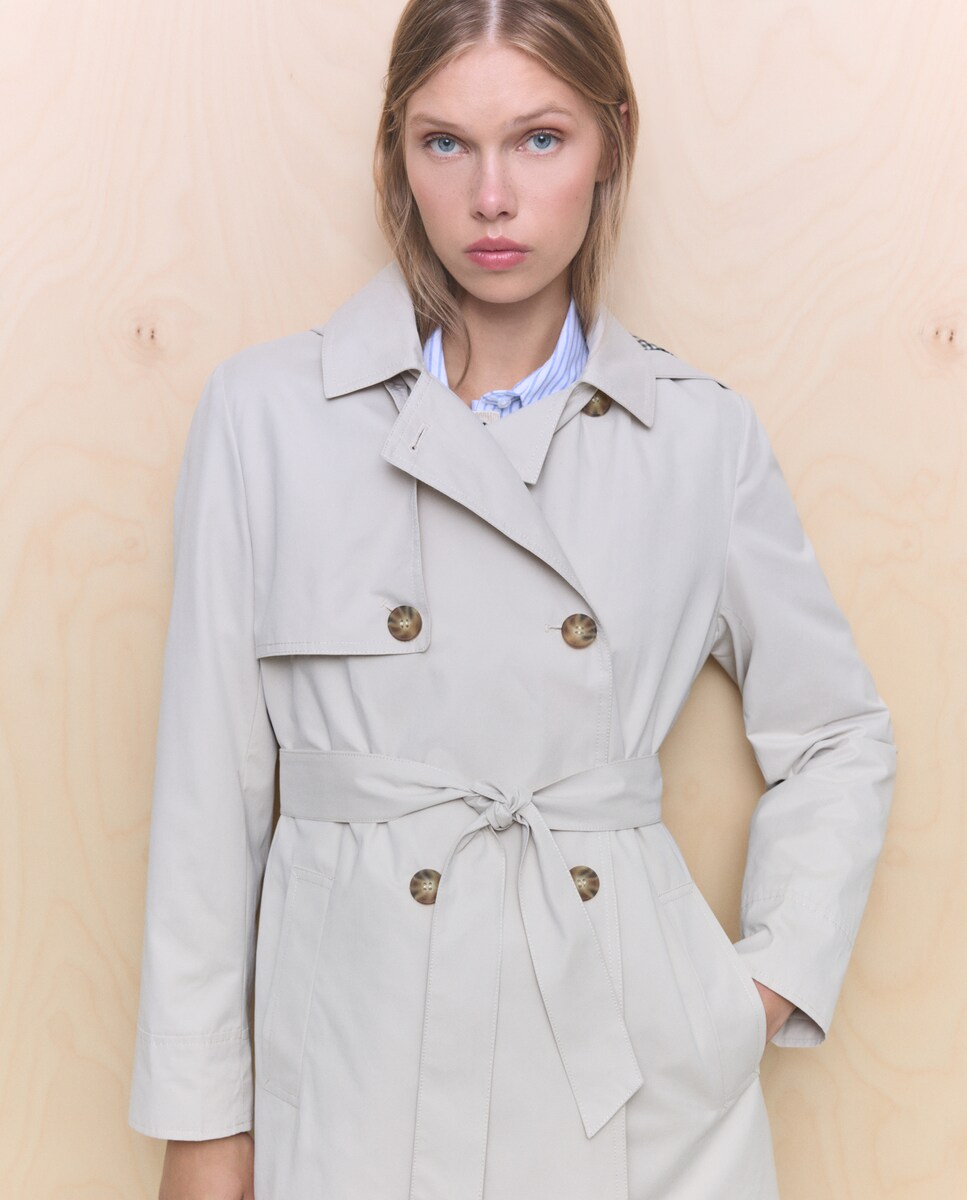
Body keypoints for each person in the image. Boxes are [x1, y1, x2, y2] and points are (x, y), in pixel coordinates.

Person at [128, 1, 897, 1197]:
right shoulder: (267, 416)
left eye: (540, 139)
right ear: (396, 153)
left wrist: (743, 997)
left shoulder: (697, 436)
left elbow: (838, 732)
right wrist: (203, 1126)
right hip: (356, 1059)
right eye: (445, 143)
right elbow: (204, 800)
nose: (491, 198)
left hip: (626, 1072)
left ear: (611, 141)